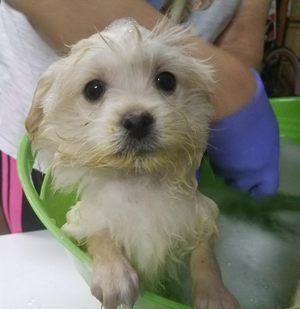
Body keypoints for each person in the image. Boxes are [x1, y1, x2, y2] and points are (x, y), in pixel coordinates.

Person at [0, 0, 278, 233]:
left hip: (185, 141)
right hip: (58, 156)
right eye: (95, 90)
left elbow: (241, 35)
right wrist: (231, 93)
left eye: (163, 80)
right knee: (55, 275)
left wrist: (234, 84)